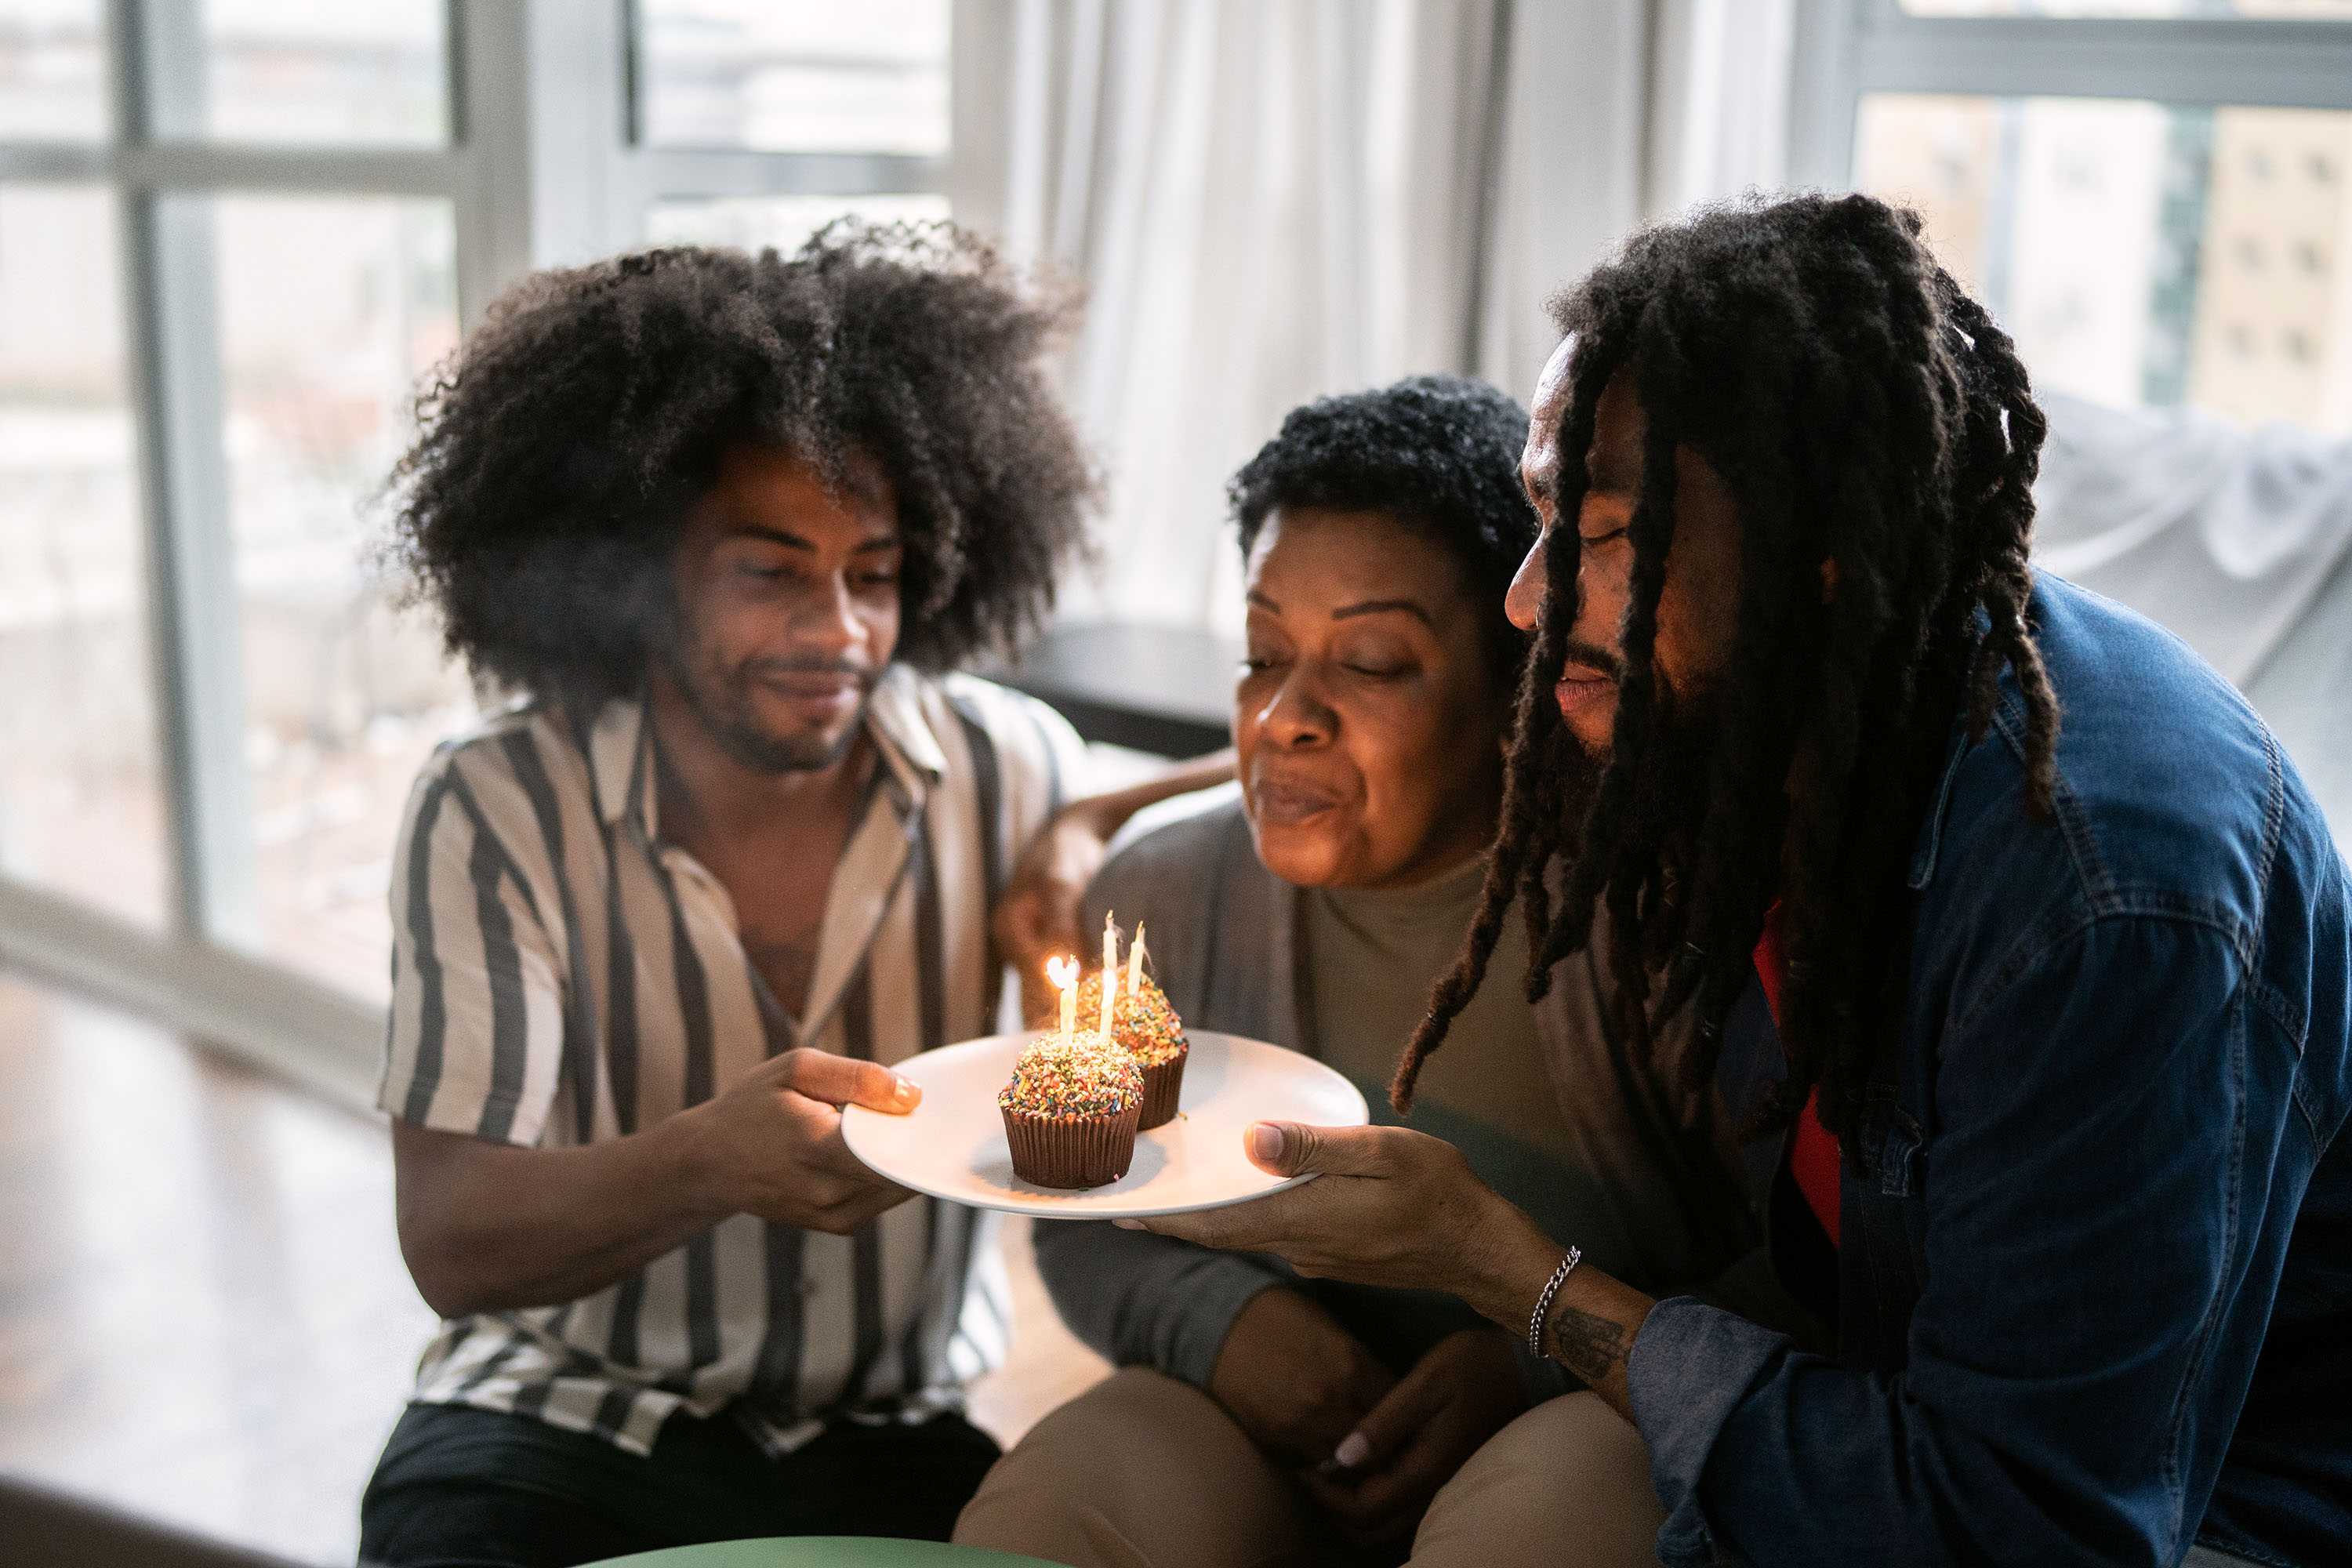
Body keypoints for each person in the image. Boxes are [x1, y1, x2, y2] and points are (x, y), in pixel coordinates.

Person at [1130, 194, 2352, 1568]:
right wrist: (1115, 807)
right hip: (1863, 1433)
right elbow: (1407, 745)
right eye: (1538, 517)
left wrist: (1504, 1268)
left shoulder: (2104, 904)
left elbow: (2025, 1527)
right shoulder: (1762, 701)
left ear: (1804, 553)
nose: (1532, 599)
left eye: (1598, 537)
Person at [358, 226, 1222, 1567]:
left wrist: (1088, 817)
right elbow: (454, 1241)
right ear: (642, 573)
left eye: (872, 575)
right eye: (771, 571)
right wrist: (704, 1161)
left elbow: (1288, 743)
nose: (840, 634)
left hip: (893, 1432)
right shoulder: (496, 808)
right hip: (557, 1421)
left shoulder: (1008, 765)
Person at [954, 377, 1759, 1566]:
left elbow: (1785, 1270)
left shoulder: (1642, 917)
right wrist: (1224, 1325)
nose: (1283, 716)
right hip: (1258, 1441)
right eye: (1261, 651)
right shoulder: (1166, 901)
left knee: (1554, 1511)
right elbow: (1085, 1213)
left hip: (1581, 1417)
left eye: (1373, 661)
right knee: (1068, 1491)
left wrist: (1529, 1357)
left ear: (1515, 687)